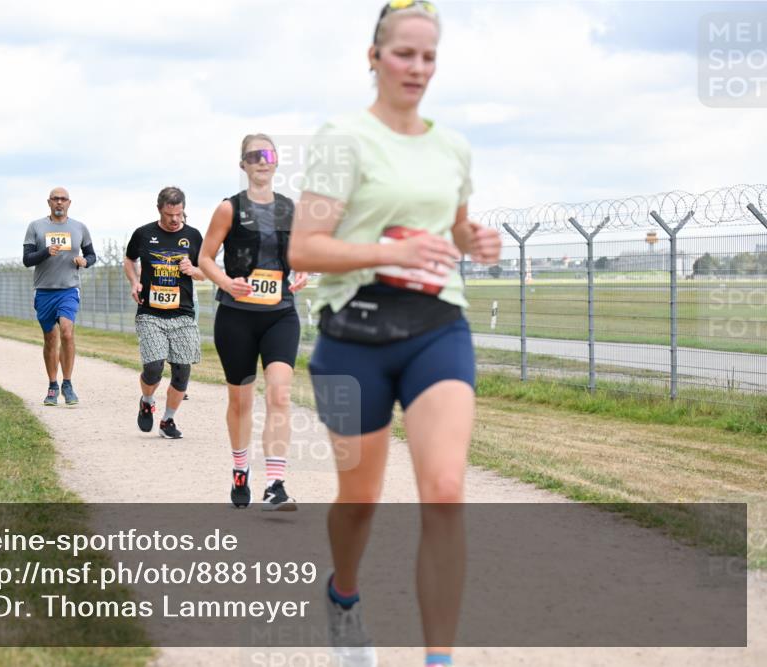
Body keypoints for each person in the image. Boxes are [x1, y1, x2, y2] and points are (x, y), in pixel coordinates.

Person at [288, 3, 503, 666]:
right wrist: (385, 253)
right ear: (374, 57)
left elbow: (456, 228)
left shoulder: (452, 147)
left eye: (429, 57)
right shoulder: (343, 137)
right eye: (404, 54)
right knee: (361, 498)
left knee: (443, 488)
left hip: (438, 325)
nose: (417, 68)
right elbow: (304, 247)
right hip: (354, 334)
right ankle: (344, 597)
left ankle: (438, 657)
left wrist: (475, 239)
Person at [198, 134, 309, 510]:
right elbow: (206, 258)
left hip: (280, 313)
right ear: (242, 164)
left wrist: (304, 268)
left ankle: (275, 483)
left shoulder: (290, 209)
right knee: (241, 401)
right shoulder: (229, 209)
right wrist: (226, 281)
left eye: (268, 154)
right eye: (253, 156)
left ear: (276, 161)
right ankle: (241, 469)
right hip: (237, 317)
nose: (262, 161)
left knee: (279, 393)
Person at [124, 186, 205, 439]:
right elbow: (129, 260)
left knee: (182, 371)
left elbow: (206, 271)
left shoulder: (193, 236)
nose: (174, 220)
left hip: (182, 314)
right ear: (159, 210)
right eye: (170, 215)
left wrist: (193, 269)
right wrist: (134, 282)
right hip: (150, 312)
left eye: (179, 214)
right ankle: (147, 400)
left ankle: (168, 421)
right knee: (154, 367)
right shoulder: (144, 233)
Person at [22, 187, 97, 405]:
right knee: (50, 338)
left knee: (66, 332)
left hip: (69, 289)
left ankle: (68, 383)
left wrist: (85, 261)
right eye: (55, 199)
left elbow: (92, 255)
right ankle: (53, 385)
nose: (59, 203)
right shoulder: (36, 226)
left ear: (69, 203)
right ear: (49, 202)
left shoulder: (79, 227)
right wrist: (46, 252)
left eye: (63, 199)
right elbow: (27, 259)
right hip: (44, 290)